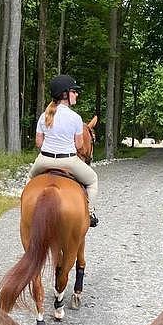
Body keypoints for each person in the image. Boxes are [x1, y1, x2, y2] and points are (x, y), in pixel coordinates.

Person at [29, 74, 98, 227]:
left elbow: (39, 143)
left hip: (44, 160)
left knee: (30, 181)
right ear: (65, 94)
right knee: (93, 180)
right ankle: (90, 213)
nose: (76, 94)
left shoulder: (44, 116)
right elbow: (79, 145)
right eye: (74, 91)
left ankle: (27, 213)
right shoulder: (75, 118)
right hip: (68, 161)